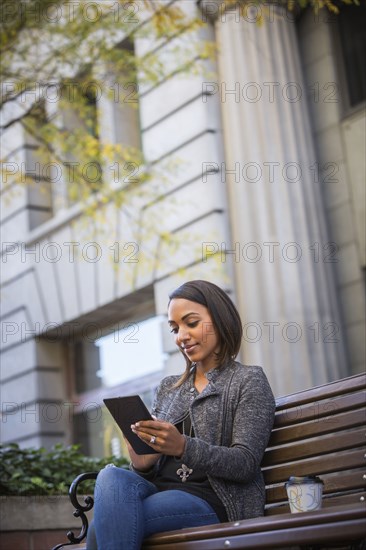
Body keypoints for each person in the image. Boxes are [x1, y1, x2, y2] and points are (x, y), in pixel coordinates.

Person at [87, 280, 276, 550]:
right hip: (161, 493)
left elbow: (245, 464)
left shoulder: (248, 381)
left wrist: (183, 447)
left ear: (220, 318)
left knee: (98, 530)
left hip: (214, 501)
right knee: (111, 476)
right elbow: (149, 471)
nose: (181, 336)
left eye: (191, 323)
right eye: (175, 329)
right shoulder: (168, 388)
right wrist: (143, 462)